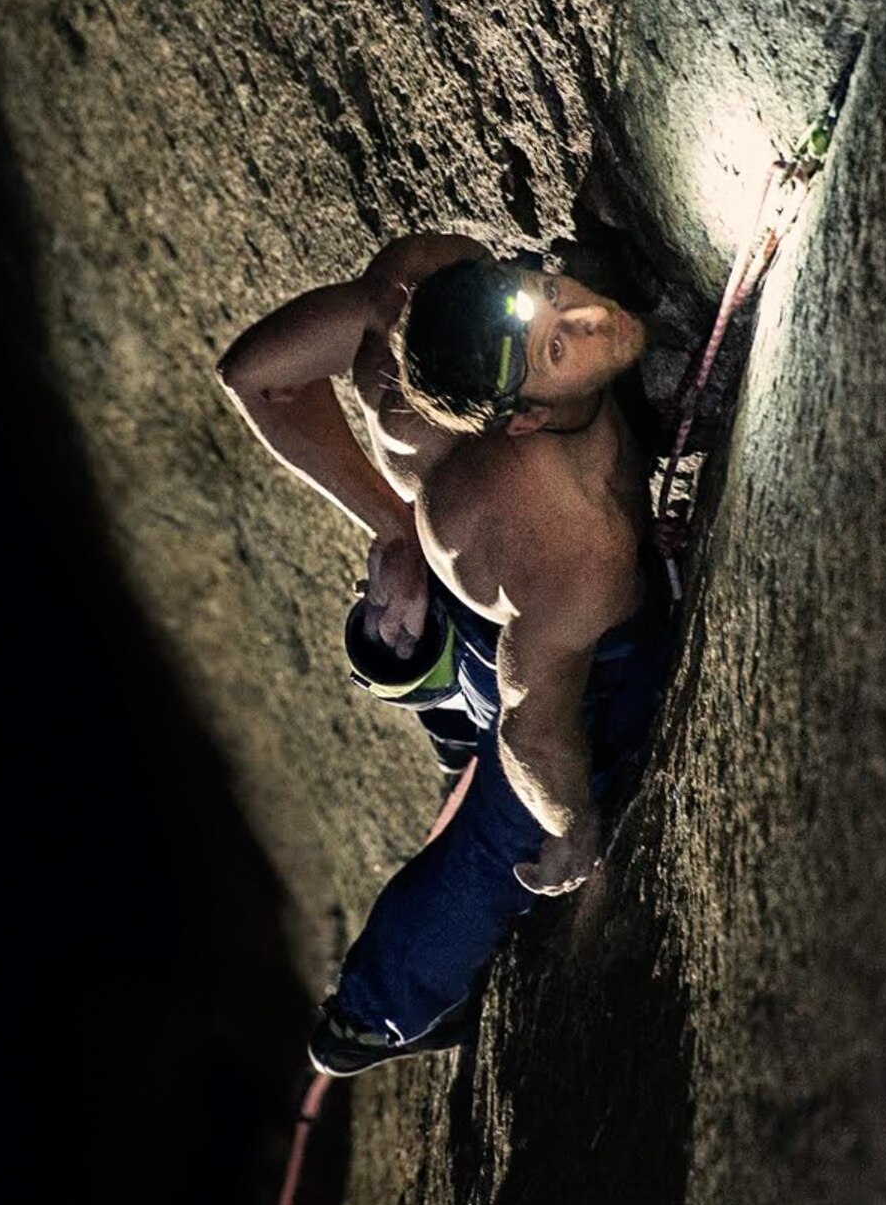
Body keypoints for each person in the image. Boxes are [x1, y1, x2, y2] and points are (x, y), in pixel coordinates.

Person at [217, 234, 678, 1075]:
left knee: (478, 644)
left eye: (545, 289)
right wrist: (571, 828)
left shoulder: (419, 292)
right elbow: (535, 733)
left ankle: (430, 678)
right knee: (515, 828)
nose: (585, 313)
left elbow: (260, 377)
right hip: (547, 655)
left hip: (477, 603)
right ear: (526, 418)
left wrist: (392, 523)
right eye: (558, 347)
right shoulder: (578, 544)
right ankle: (373, 1015)